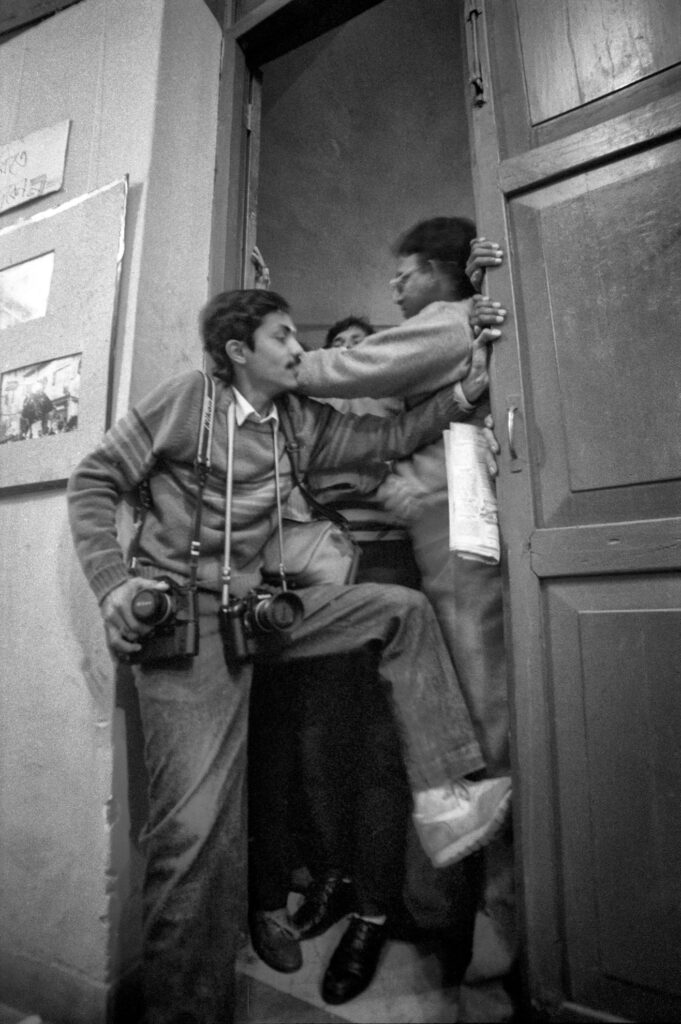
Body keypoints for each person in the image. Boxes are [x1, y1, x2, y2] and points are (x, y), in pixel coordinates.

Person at [67, 288, 509, 1024]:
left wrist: (465, 388)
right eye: (281, 336)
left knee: (397, 610)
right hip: (186, 623)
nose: (298, 349)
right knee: (194, 832)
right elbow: (93, 480)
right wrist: (114, 582)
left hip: (258, 612)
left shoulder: (299, 420)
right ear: (239, 350)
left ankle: (443, 796)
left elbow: (386, 440)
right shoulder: (187, 401)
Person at [295, 219, 512, 834]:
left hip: (454, 523)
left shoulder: (448, 319)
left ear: (441, 273)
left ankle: (483, 843)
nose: (395, 284)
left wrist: (276, 363)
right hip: (442, 524)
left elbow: (356, 367)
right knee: (466, 681)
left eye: (407, 270)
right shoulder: (460, 322)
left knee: (477, 687)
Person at [247, 313, 420, 1003]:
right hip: (320, 574)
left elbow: (408, 461)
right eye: (337, 347)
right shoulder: (308, 417)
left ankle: (372, 916)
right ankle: (334, 876)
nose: (349, 356)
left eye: (363, 347)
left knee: (381, 750)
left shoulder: (398, 403)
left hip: (387, 565)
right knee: (318, 743)